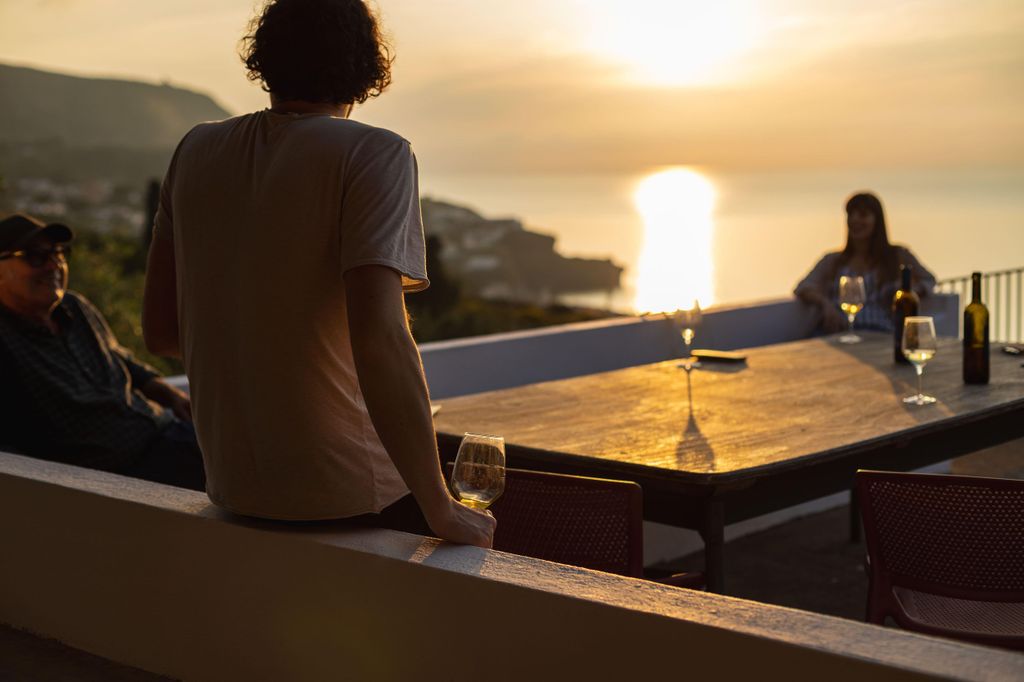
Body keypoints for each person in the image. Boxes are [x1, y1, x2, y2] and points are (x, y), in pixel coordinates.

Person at [142, 0, 494, 547]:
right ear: (365, 65)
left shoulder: (195, 149)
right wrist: (440, 506)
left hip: (234, 490)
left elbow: (162, 333)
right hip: (350, 493)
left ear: (266, 58)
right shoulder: (374, 153)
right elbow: (381, 338)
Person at [0, 213, 205, 490]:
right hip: (125, 475)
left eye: (59, 253)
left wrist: (165, 391)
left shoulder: (75, 307)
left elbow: (116, 357)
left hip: (166, 430)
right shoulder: (7, 341)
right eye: (36, 256)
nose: (53, 265)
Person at [795, 192, 936, 333]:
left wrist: (906, 294)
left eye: (863, 215)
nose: (855, 220)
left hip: (880, 332)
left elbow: (929, 279)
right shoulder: (833, 260)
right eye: (851, 215)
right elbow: (804, 286)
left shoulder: (897, 255)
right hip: (839, 332)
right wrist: (825, 305)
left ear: (877, 221)